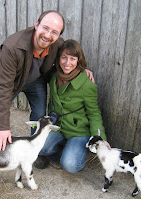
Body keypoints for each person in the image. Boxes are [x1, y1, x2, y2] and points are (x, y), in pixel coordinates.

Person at [0, 10, 94, 152]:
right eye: (46, 28)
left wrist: (81, 69)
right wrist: (3, 127)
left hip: (36, 81)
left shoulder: (58, 44)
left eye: (55, 32)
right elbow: (4, 87)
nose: (48, 35)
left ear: (59, 35)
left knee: (39, 117)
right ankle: (3, 148)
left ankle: (34, 150)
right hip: (12, 83)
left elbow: (71, 55)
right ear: (37, 25)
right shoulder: (12, 47)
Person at [34, 39, 110, 173]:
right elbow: (42, 67)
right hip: (58, 126)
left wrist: (100, 138)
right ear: (58, 59)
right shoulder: (53, 75)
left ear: (78, 60)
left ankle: (75, 150)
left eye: (72, 59)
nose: (67, 63)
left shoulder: (87, 84)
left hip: (78, 131)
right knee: (40, 146)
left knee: (70, 165)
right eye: (64, 57)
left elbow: (94, 113)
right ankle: (59, 153)